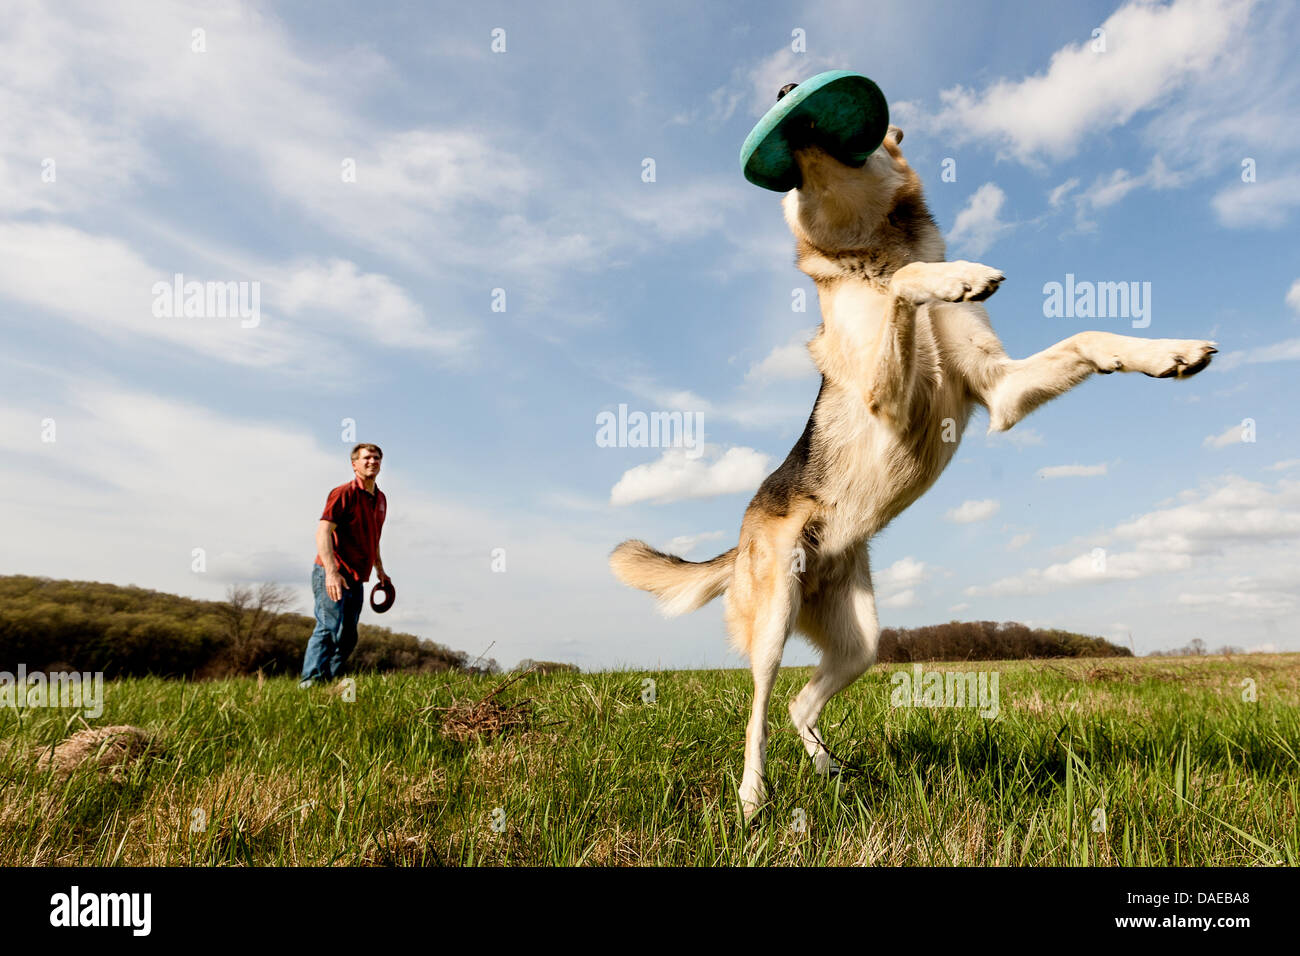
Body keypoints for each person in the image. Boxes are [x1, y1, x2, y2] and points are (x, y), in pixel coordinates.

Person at [299, 443, 390, 688]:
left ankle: (327, 679)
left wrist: (379, 569)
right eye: (367, 458)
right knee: (328, 626)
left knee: (349, 636)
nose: (372, 461)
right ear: (354, 464)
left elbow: (374, 537)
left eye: (377, 458)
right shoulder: (343, 493)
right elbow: (323, 532)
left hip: (357, 576)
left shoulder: (380, 499)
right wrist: (331, 572)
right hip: (332, 572)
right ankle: (310, 682)